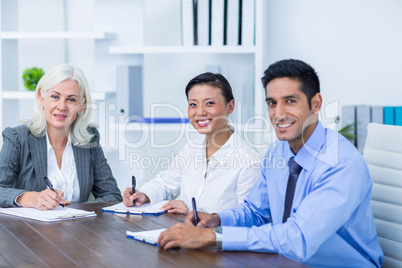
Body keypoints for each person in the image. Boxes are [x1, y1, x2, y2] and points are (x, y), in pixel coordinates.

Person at [157, 59, 384, 267]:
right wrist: (216, 219)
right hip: (283, 261)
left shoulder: (340, 163)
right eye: (272, 103)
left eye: (290, 101)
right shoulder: (279, 151)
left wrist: (213, 237)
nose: (279, 113)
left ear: (316, 104)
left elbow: (298, 239)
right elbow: (256, 211)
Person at [122, 72, 261, 214]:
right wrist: (142, 195)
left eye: (209, 103)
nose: (200, 112)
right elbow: (164, 184)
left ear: (230, 107)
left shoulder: (248, 160)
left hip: (217, 235)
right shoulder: (191, 148)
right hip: (186, 233)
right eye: (193, 104)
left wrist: (193, 213)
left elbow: (248, 217)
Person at [0, 63, 122, 210]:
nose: (62, 106)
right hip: (28, 231)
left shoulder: (90, 139)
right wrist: (30, 198)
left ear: (81, 105)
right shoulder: (17, 138)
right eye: (55, 96)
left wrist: (75, 210)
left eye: (71, 99)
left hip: (78, 229)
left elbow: (112, 195)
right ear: (42, 98)